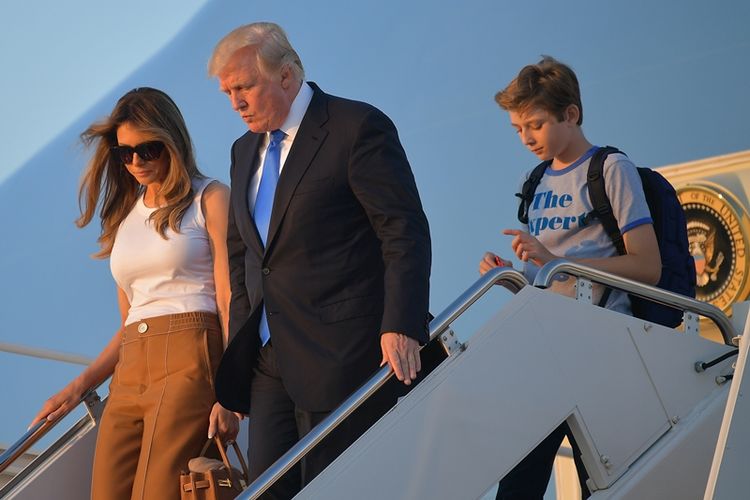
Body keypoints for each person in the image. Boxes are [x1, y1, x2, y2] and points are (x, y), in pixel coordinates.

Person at [207, 22, 431, 498]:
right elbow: (245, 260)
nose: (235, 103)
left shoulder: (355, 127)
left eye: (244, 87)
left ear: (287, 76)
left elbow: (403, 230)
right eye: (228, 92)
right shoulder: (243, 150)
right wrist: (239, 359)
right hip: (269, 366)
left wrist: (402, 324)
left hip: (344, 356)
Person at [30, 87, 240, 500]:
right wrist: (80, 386)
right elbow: (129, 324)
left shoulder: (210, 197)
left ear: (172, 141)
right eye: (124, 153)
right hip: (130, 373)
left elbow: (229, 298)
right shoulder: (125, 216)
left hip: (190, 354)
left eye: (148, 149)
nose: (136, 162)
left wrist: (232, 392)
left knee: (157, 493)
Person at [479, 56, 661, 499]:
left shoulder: (610, 169)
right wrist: (510, 275)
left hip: (600, 344)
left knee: (597, 482)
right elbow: (545, 272)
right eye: (518, 129)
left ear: (571, 114)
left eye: (535, 125)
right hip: (546, 343)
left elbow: (647, 266)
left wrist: (554, 260)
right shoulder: (534, 180)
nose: (525, 138)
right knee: (518, 483)